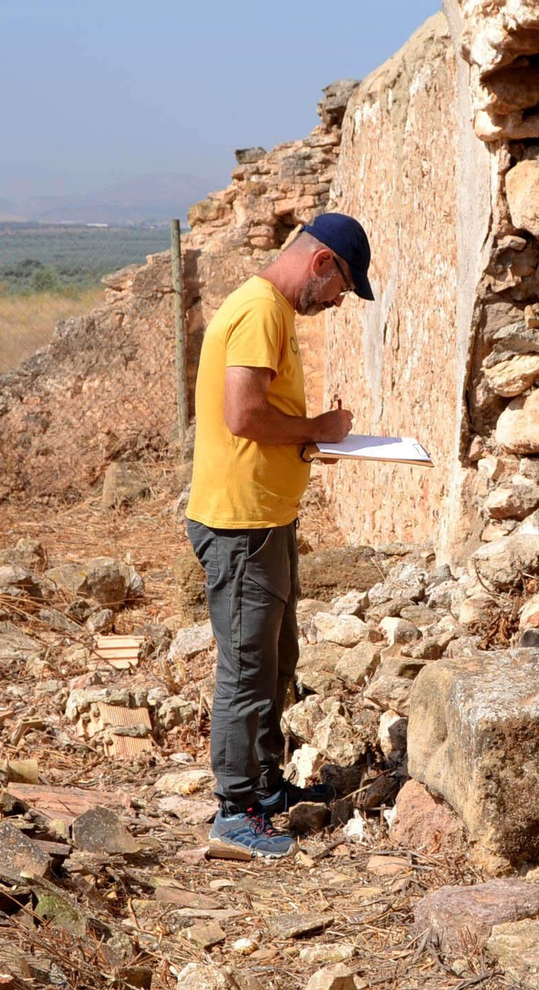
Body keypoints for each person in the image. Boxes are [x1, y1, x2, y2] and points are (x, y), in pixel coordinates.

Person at [185, 213, 374, 858]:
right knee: (245, 670)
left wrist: (311, 433)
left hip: (264, 520)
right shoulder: (263, 310)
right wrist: (317, 427)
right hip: (240, 524)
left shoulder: (270, 310)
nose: (338, 302)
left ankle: (266, 792)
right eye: (343, 287)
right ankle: (234, 810)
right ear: (321, 264)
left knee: (274, 663)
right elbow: (243, 414)